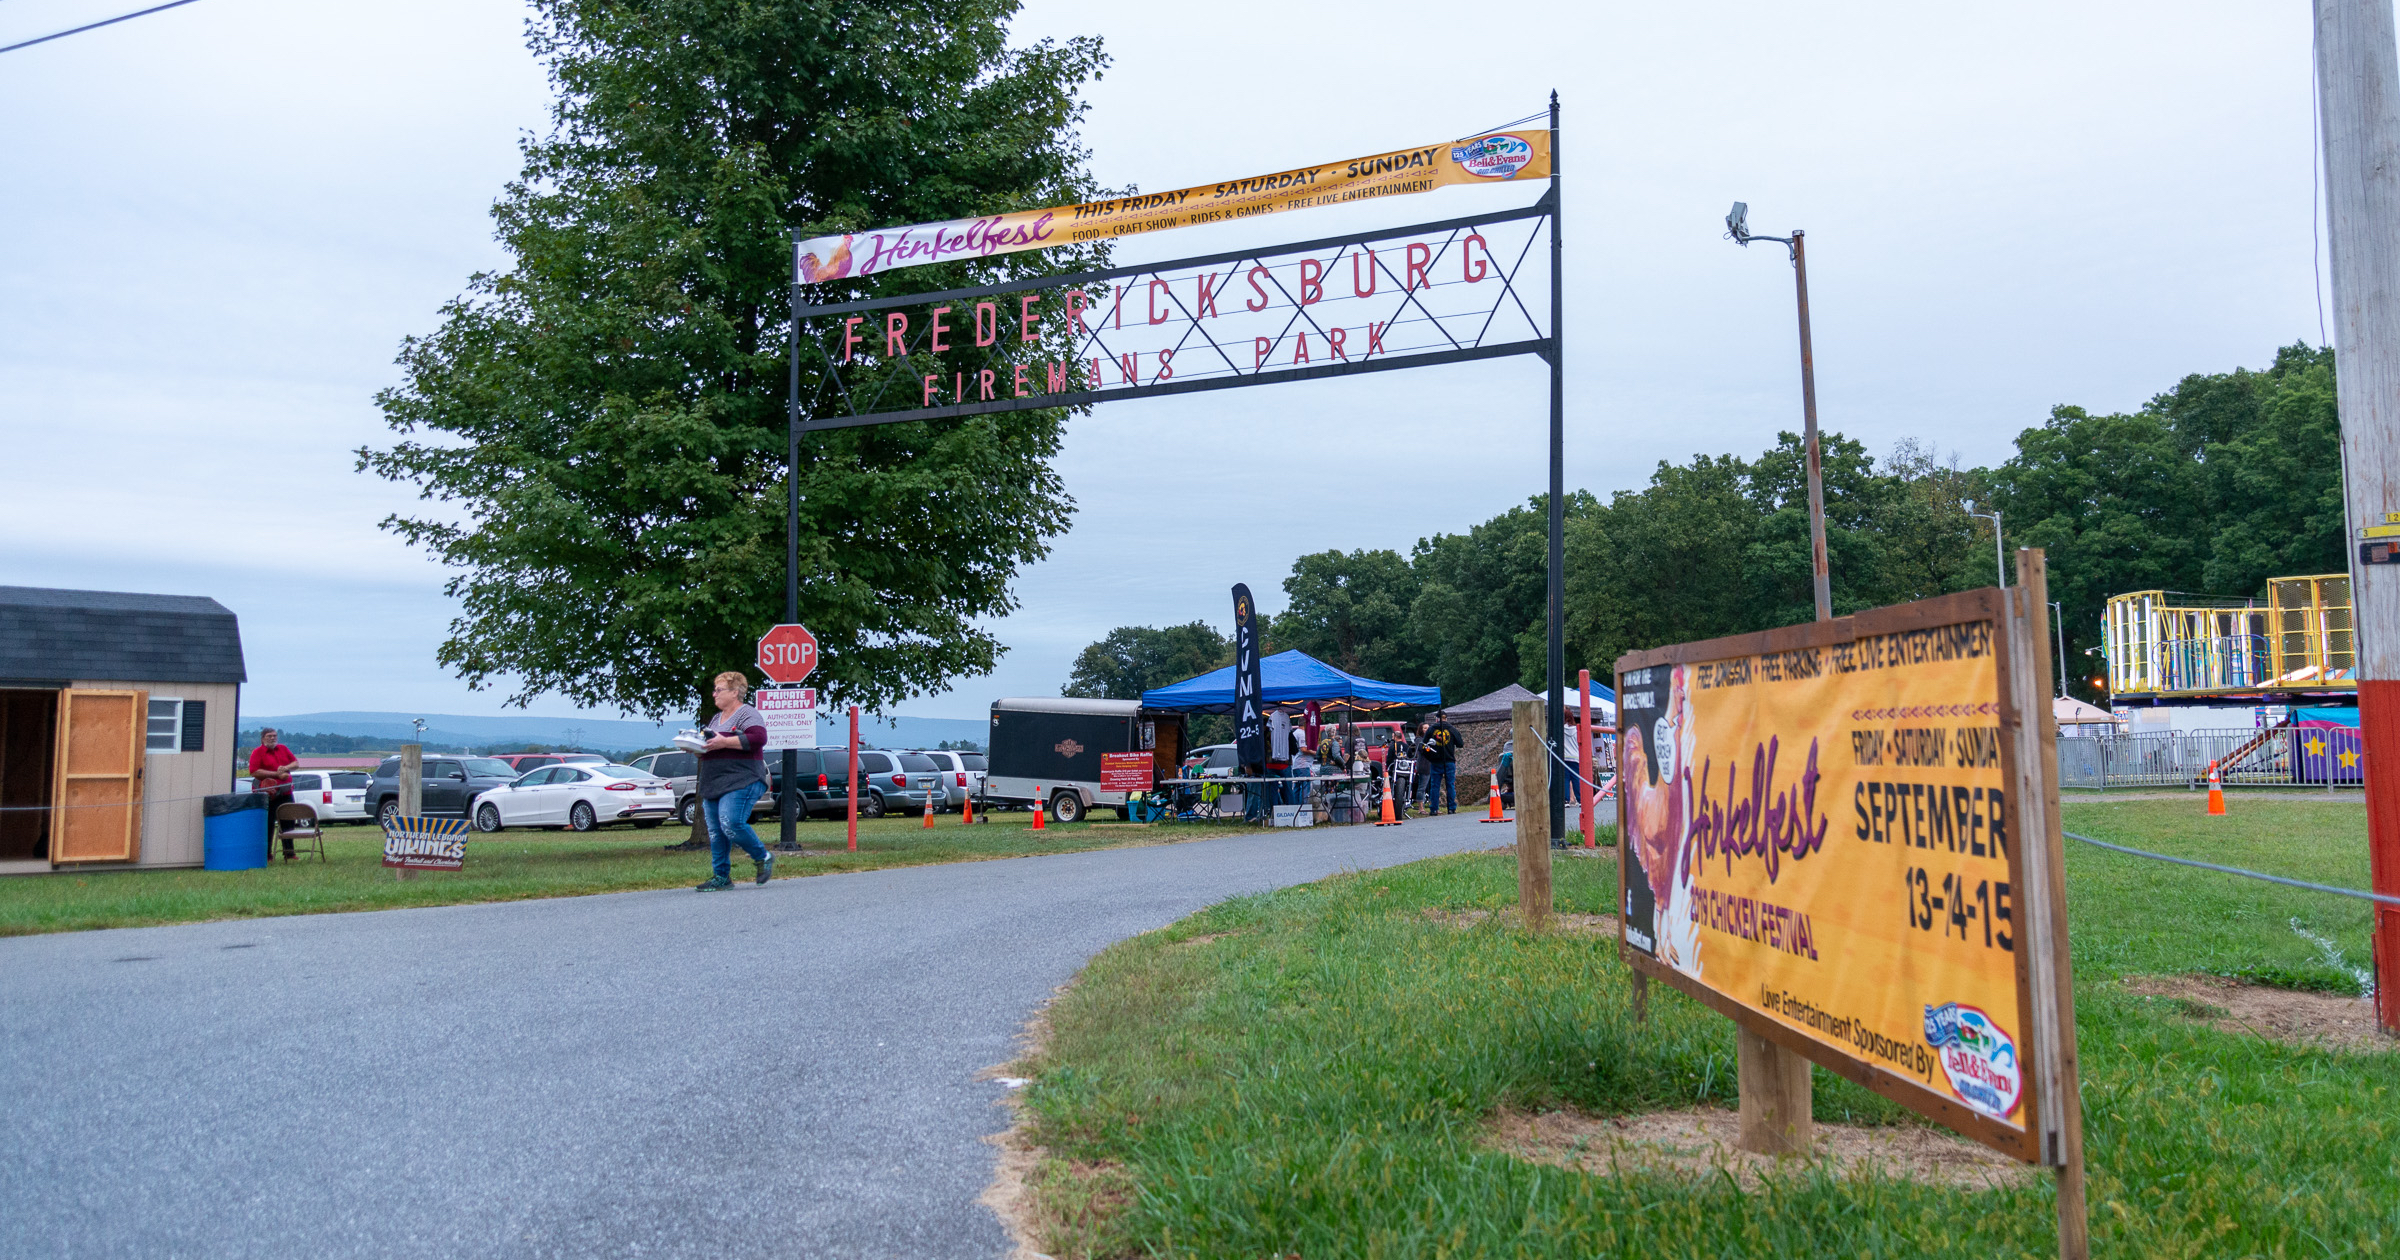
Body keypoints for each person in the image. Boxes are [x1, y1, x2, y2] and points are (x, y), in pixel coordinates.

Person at [694, 671, 774, 890]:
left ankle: (763, 856)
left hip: (743, 779)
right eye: (715, 690)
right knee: (716, 831)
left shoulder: (747, 713)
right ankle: (721, 877)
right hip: (714, 782)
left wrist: (724, 743)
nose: (714, 694)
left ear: (735, 692)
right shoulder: (715, 719)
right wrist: (698, 748)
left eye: (719, 690)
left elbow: (759, 738)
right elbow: (713, 745)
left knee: (731, 823)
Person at [247, 727, 300, 860]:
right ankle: (267, 854)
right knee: (268, 824)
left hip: (285, 792)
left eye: (274, 736)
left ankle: (289, 853)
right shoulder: (257, 752)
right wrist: (276, 774)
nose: (272, 738)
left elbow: (296, 763)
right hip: (268, 794)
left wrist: (285, 768)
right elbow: (254, 771)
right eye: (269, 736)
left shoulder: (283, 748)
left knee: (288, 822)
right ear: (263, 738)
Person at [1422, 710, 1461, 814]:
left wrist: (1430, 757)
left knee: (1435, 786)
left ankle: (1434, 809)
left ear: (1436, 719)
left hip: (1435, 761)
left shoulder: (1431, 730)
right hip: (1449, 760)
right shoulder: (1452, 729)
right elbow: (1460, 743)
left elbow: (1423, 745)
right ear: (1446, 718)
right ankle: (1451, 808)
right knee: (1450, 785)